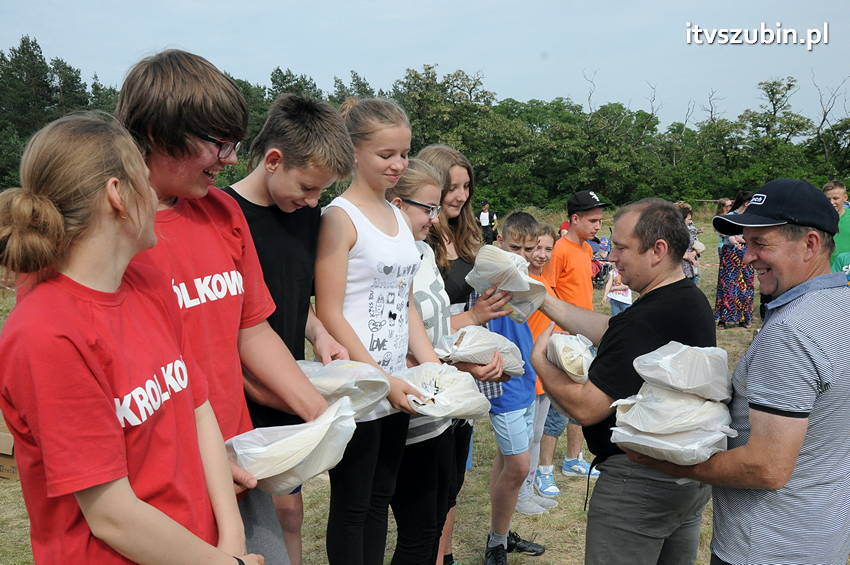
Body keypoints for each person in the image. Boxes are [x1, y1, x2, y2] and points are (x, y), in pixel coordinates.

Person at [0, 113, 262, 565]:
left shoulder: (148, 282)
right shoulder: (45, 335)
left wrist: (232, 537)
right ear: (117, 196)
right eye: (146, 181)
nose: (158, 197)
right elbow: (112, 516)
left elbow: (198, 409)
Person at [117, 49, 327, 565]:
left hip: (237, 461)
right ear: (158, 133)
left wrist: (318, 413)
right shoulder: (105, 230)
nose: (232, 160)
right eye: (219, 143)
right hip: (155, 483)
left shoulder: (222, 210)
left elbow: (251, 330)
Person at [627, 179, 850, 565]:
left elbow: (766, 467)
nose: (747, 258)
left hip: (765, 547)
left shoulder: (791, 334)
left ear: (811, 244)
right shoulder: (840, 307)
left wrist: (661, 458)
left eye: (761, 244)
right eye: (746, 243)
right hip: (822, 538)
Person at [533, 198, 715, 565]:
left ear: (657, 250)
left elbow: (586, 407)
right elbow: (611, 330)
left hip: (638, 486)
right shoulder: (685, 299)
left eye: (620, 247)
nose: (611, 257)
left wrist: (541, 362)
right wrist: (540, 298)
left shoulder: (647, 318)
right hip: (682, 478)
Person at [223, 93, 354, 565]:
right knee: (256, 509)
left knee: (290, 507)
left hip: (290, 381)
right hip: (244, 391)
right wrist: (253, 384)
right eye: (308, 187)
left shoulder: (304, 216)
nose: (313, 201)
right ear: (274, 160)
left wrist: (319, 333)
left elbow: (290, 293)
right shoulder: (225, 216)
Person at [314, 97, 437, 565]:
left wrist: (433, 369)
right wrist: (380, 379)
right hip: (359, 382)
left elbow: (404, 302)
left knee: (381, 498)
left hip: (396, 384)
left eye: (404, 153)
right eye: (386, 155)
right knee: (353, 504)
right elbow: (330, 312)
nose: (398, 165)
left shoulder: (396, 217)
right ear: (354, 152)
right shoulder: (339, 218)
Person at [386, 158, 506, 565]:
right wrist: (459, 369)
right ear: (398, 203)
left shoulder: (419, 251)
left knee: (437, 517)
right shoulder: (390, 260)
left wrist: (462, 361)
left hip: (442, 404)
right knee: (419, 533)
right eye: (430, 207)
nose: (438, 216)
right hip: (414, 409)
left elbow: (431, 330)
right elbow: (391, 339)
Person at [416, 144, 512, 565]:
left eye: (465, 186)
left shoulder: (465, 236)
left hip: (465, 363)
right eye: (450, 187)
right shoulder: (418, 240)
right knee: (431, 484)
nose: (459, 195)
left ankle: (447, 554)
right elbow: (416, 323)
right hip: (431, 367)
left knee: (454, 476)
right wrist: (473, 315)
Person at [483, 212, 547, 565]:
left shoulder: (527, 280)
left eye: (528, 248)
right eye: (514, 247)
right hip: (503, 385)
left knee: (505, 461)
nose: (521, 255)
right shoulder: (489, 279)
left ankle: (501, 534)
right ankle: (496, 542)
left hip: (525, 379)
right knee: (520, 467)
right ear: (499, 245)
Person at [537, 190, 609, 484]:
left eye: (600, 221)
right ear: (574, 219)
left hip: (586, 337)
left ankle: (572, 459)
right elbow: (548, 291)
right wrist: (560, 330)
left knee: (582, 401)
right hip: (565, 338)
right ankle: (543, 470)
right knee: (558, 407)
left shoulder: (587, 249)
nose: (597, 227)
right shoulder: (559, 250)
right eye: (592, 220)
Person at [522, 224, 563, 506]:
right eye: (537, 247)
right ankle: (520, 494)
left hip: (545, 369)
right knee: (525, 436)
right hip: (527, 369)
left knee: (537, 433)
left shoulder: (546, 282)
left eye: (548, 249)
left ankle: (530, 486)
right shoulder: (522, 282)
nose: (542, 254)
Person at [714, 190, 755, 329]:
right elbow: (724, 233)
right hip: (731, 254)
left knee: (745, 286)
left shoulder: (751, 217)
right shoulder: (731, 216)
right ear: (746, 203)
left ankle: (744, 318)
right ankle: (723, 319)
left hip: (747, 252)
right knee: (729, 286)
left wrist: (743, 239)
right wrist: (733, 238)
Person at [823, 180, 850, 264]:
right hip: (825, 271)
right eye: (828, 199)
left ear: (845, 197)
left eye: (835, 198)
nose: (831, 202)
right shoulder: (817, 219)